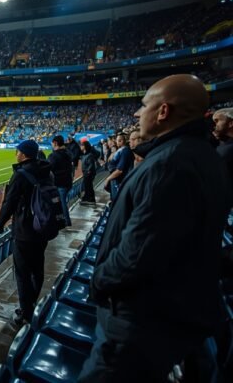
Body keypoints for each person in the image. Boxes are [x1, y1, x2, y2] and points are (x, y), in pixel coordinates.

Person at [79, 74, 231, 382]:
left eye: (144, 105)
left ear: (163, 111)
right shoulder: (202, 156)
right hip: (163, 313)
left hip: (139, 322)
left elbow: (139, 253)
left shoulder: (170, 164)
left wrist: (99, 282)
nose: (137, 113)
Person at [0, 139, 52, 326]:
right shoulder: (45, 170)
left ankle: (25, 314)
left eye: (18, 151)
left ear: (24, 154)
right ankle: (31, 303)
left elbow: (10, 202)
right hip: (43, 227)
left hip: (25, 229)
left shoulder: (21, 174)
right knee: (37, 268)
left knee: (23, 273)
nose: (16, 154)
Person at [48, 135, 73, 226]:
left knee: (61, 203)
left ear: (55, 143)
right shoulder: (68, 153)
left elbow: (47, 168)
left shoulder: (54, 156)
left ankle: (65, 221)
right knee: (62, 202)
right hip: (68, 181)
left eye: (52, 143)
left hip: (59, 183)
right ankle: (62, 220)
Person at [103, 133, 132, 200]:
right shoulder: (120, 150)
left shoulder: (125, 151)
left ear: (122, 141)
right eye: (116, 140)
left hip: (118, 179)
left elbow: (120, 170)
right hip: (115, 178)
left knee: (116, 199)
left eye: (118, 140)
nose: (116, 142)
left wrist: (108, 179)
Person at [212, 107, 233, 178]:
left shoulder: (227, 151)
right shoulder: (224, 146)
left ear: (231, 123)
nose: (214, 126)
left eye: (217, 121)